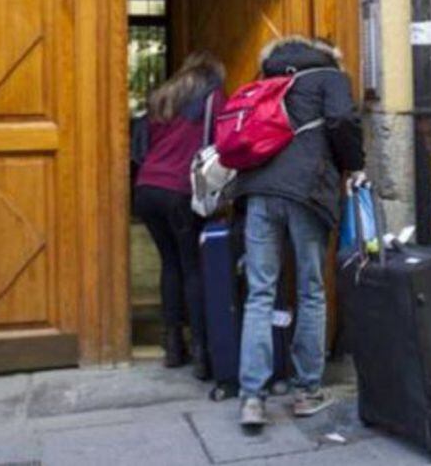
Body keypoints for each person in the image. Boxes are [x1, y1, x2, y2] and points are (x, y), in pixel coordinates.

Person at [232, 36, 365, 428]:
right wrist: (355, 165)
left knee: (260, 292)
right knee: (310, 289)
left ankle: (252, 399)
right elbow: (342, 120)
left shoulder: (268, 77)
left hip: (258, 190)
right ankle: (306, 391)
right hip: (306, 191)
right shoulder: (330, 76)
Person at [134, 51, 226, 379]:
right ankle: (202, 351)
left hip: (147, 187)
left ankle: (172, 345)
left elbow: (140, 144)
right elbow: (221, 142)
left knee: (169, 264)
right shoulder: (213, 97)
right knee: (192, 267)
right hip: (180, 190)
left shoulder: (162, 98)